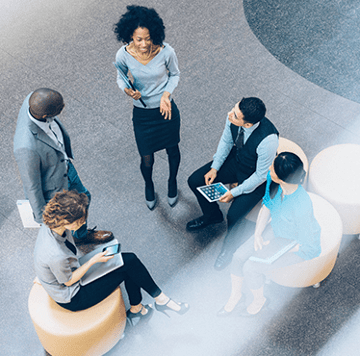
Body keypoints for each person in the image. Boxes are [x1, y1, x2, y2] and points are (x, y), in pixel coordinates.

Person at [34, 190, 189, 324]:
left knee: (129, 261)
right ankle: (155, 303)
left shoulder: (53, 225)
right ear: (65, 220)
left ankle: (147, 304)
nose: (81, 225)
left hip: (71, 273)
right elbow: (68, 281)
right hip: (74, 296)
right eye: (78, 222)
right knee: (128, 267)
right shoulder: (55, 254)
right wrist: (93, 261)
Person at [218, 152, 321, 317]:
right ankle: (236, 295)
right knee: (238, 256)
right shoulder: (275, 183)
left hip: (295, 244)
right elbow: (267, 205)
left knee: (251, 268)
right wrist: (258, 234)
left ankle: (260, 300)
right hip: (277, 230)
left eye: (272, 168)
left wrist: (272, 249)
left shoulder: (301, 205)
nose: (268, 169)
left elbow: (305, 242)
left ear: (282, 178)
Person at [187, 97, 279, 270]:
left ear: (247, 125)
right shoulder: (232, 117)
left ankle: (229, 250)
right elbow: (226, 142)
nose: (230, 114)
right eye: (233, 109)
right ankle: (212, 215)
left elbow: (260, 175)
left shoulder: (268, 140)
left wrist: (234, 193)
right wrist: (215, 168)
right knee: (195, 180)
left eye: (235, 115)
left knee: (234, 215)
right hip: (237, 161)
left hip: (254, 176)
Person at [13, 88, 113, 245]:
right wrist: (43, 219)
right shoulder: (25, 147)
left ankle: (80, 235)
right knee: (66, 221)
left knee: (84, 198)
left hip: (65, 166)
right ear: (46, 115)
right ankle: (71, 244)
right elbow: (31, 186)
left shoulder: (34, 99)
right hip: (54, 189)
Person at [114, 5, 181, 210]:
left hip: (166, 109)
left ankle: (172, 182)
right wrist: (127, 91)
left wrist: (166, 95)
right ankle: (149, 184)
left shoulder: (166, 51)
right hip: (142, 113)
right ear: (130, 37)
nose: (143, 44)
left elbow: (175, 75)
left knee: (172, 149)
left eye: (148, 38)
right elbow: (121, 77)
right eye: (138, 39)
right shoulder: (123, 55)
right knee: (146, 157)